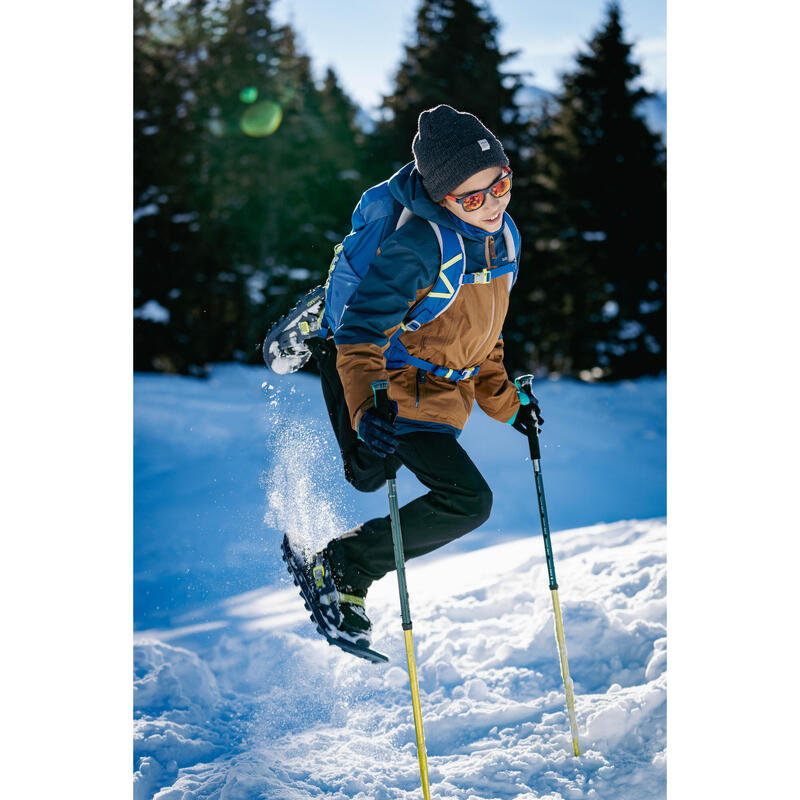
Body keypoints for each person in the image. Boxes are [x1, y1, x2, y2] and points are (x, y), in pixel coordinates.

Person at [275, 105, 542, 647]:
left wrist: (510, 405)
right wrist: (368, 407)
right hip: (386, 374)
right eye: (473, 197)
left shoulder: (504, 240)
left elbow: (484, 339)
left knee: (406, 484)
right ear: (444, 197)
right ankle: (325, 326)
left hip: (440, 391)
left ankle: (342, 564)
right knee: (419, 485)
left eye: (500, 185)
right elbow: (362, 336)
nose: (492, 204)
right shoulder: (420, 246)